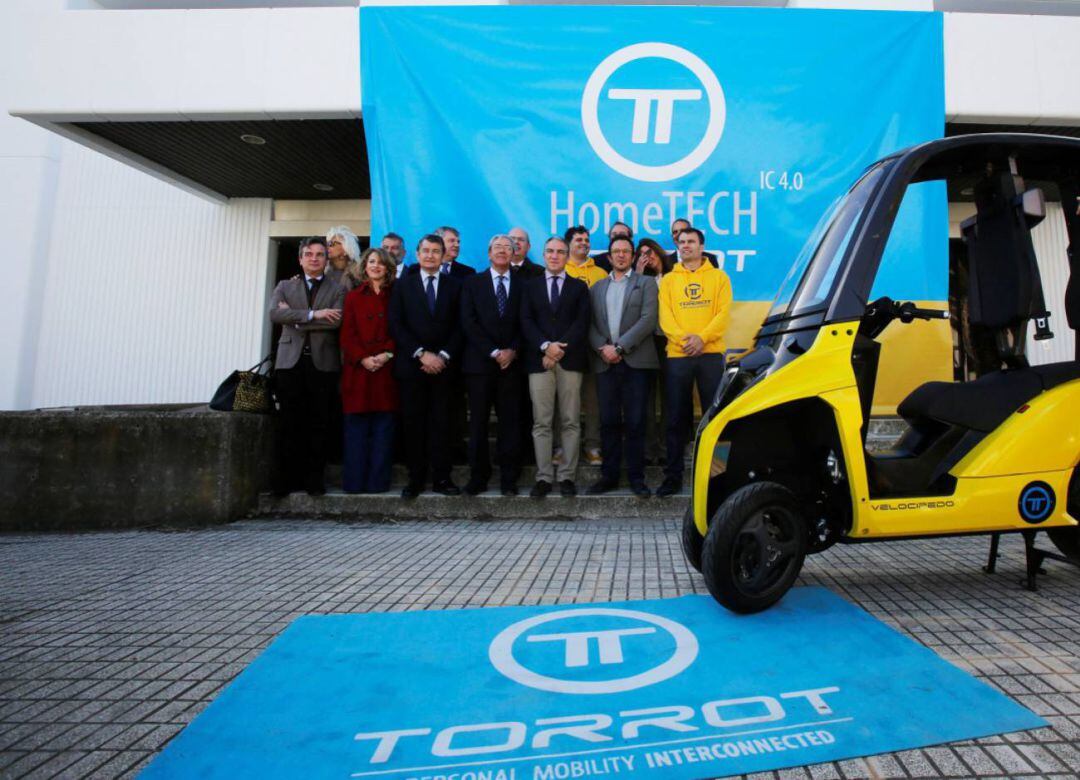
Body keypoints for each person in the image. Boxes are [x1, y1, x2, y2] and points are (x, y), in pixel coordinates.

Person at [656, 227, 733, 497]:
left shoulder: (719, 277)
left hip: (710, 354)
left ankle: (718, 476)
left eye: (691, 241)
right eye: (681, 242)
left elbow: (723, 314)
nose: (685, 245)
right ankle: (673, 477)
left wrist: (701, 338)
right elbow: (665, 318)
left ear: (702, 247)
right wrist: (685, 341)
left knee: (716, 417)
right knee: (676, 418)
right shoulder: (668, 280)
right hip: (678, 356)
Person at [268, 237, 346, 496]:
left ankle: (314, 481)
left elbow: (335, 322)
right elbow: (275, 314)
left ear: (326, 259)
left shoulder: (337, 288)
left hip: (322, 364)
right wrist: (314, 315)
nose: (314, 258)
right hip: (290, 363)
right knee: (289, 422)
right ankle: (284, 481)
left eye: (320, 254)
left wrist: (296, 319)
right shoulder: (284, 286)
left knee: (319, 423)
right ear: (300, 259)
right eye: (309, 254)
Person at [389, 233, 464, 498]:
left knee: (443, 424)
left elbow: (460, 325)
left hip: (445, 368)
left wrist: (442, 356)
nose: (430, 255)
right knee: (414, 424)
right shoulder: (402, 286)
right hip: (413, 367)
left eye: (436, 251)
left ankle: (443, 478)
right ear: (417, 254)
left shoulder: (455, 286)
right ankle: (416, 479)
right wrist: (421, 354)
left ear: (443, 255)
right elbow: (396, 324)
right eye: (426, 251)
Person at [587, 236, 658, 497]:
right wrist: (602, 348)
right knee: (608, 422)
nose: (620, 255)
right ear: (608, 257)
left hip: (636, 363)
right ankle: (609, 476)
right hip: (605, 363)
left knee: (637, 422)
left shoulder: (647, 283)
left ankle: (637, 478)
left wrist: (619, 347)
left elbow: (648, 320)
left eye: (625, 251)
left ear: (633, 255)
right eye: (616, 251)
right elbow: (590, 323)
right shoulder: (596, 287)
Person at [520, 236, 591, 498]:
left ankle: (567, 477)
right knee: (542, 422)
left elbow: (582, 323)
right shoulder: (530, 286)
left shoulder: (579, 287)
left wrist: (558, 349)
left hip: (569, 360)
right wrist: (544, 346)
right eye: (550, 251)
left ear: (567, 255)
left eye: (560, 252)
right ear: (543, 254)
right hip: (539, 362)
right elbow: (525, 320)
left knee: (570, 421)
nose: (554, 256)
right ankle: (543, 477)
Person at [460, 235, 524, 496]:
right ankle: (478, 477)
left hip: (512, 366)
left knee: (511, 424)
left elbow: (527, 321)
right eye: (497, 247)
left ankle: (509, 478)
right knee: (478, 424)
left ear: (513, 254)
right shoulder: (472, 283)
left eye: (507, 248)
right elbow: (468, 322)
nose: (502, 252)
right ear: (488, 253)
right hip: (480, 365)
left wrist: (513, 350)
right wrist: (494, 351)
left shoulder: (524, 285)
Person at [340, 248, 397, 493]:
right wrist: (363, 358)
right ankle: (354, 483)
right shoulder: (353, 297)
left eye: (381, 263)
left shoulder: (397, 295)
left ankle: (378, 484)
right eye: (371, 262)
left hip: (387, 371)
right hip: (359, 372)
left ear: (388, 268)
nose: (376, 266)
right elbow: (347, 334)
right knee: (356, 432)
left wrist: (386, 354)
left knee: (384, 432)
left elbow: (401, 329)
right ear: (364, 266)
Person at [563, 225, 607, 466]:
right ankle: (562, 447)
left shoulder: (600, 272)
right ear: (568, 244)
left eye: (586, 239)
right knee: (565, 399)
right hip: (567, 345)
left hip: (594, 345)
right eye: (578, 239)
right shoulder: (559, 269)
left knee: (593, 400)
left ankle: (592, 445)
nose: (583, 243)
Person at [634, 237, 673, 465]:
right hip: (647, 342)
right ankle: (650, 448)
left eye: (650, 252)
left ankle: (668, 446)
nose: (647, 257)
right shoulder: (641, 280)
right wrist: (638, 274)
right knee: (647, 398)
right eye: (641, 254)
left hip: (670, 342)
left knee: (670, 396)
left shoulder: (676, 274)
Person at [407, 226, 475, 278]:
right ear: (438, 242)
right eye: (452, 241)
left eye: (458, 242)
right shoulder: (414, 270)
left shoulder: (468, 273)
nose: (457, 245)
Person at [326, 226, 363, 290]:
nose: (328, 246)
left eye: (332, 243)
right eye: (328, 243)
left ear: (346, 250)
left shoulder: (358, 275)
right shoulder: (324, 270)